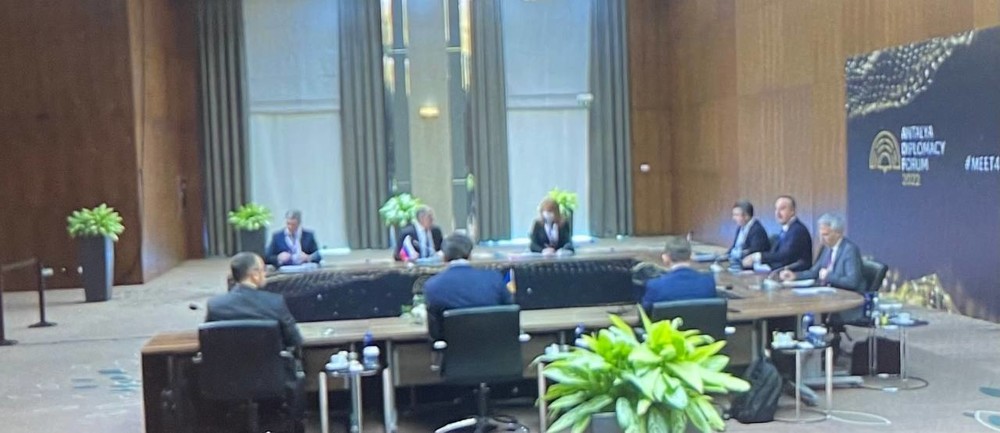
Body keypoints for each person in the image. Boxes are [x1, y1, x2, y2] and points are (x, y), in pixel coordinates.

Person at [205, 252, 304, 431]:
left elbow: (209, 342)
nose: (265, 274)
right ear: (254, 274)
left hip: (227, 382)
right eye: (263, 270)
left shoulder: (216, 305)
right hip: (272, 381)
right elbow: (295, 340)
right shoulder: (274, 303)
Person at [423, 233, 513, 341]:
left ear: (444, 257)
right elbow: (510, 313)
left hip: (453, 349)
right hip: (497, 347)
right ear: (470, 255)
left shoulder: (432, 286)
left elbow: (434, 331)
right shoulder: (494, 278)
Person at [781, 213, 864, 292]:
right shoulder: (826, 248)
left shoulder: (849, 250)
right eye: (820, 234)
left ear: (838, 233)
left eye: (825, 235)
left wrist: (828, 276)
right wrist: (795, 276)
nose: (821, 239)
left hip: (846, 296)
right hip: (827, 293)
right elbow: (814, 272)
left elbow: (852, 282)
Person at [641, 236, 717, 312]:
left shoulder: (655, 285)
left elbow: (645, 312)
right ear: (691, 256)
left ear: (665, 258)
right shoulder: (708, 282)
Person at [742, 195, 812, 272]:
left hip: (794, 275)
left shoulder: (798, 230)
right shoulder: (786, 229)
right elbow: (776, 255)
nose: (777, 213)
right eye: (776, 209)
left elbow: (785, 256)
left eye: (782, 209)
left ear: (792, 211)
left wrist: (758, 257)